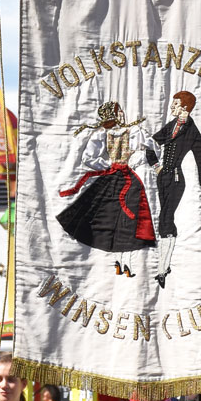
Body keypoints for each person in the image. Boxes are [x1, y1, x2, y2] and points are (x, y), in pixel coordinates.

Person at [55, 100, 159, 276]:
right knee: (118, 221)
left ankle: (123, 264)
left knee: (122, 221)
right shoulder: (111, 134)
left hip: (120, 178)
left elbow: (154, 148)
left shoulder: (129, 132)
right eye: (119, 113)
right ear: (116, 115)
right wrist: (112, 163)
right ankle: (120, 263)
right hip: (118, 178)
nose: (122, 115)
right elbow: (88, 159)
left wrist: (130, 159)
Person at [149, 90, 201, 288]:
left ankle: (162, 269)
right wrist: (155, 165)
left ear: (184, 107)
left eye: (174, 104)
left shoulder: (192, 131)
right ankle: (164, 268)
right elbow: (151, 143)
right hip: (163, 177)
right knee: (163, 220)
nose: (171, 107)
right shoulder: (171, 125)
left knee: (166, 219)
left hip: (176, 179)